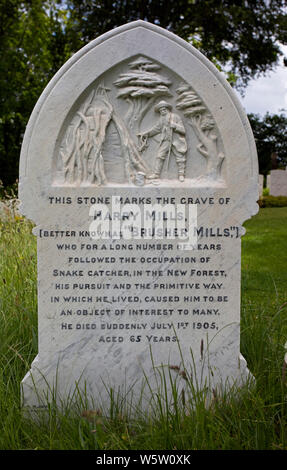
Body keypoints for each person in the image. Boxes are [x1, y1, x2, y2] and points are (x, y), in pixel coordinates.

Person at [138, 101, 187, 181]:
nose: (162, 111)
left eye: (164, 109)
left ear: (167, 109)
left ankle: (181, 174)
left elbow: (183, 130)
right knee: (160, 156)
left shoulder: (175, 117)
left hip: (176, 140)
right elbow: (156, 129)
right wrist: (146, 133)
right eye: (160, 110)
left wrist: (174, 126)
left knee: (180, 157)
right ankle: (156, 174)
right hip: (166, 140)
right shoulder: (161, 119)